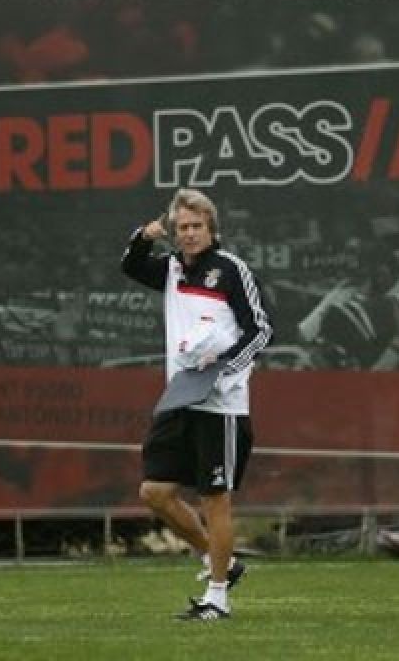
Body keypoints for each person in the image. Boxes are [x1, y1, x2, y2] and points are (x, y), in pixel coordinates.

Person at [121, 188, 273, 621]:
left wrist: (225, 366)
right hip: (180, 396)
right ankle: (220, 558)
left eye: (196, 227)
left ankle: (218, 598)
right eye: (182, 227)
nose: (188, 235)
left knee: (214, 500)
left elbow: (261, 331)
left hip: (221, 406)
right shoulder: (170, 269)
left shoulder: (231, 270)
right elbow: (130, 266)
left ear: (211, 228)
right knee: (155, 492)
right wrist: (145, 236)